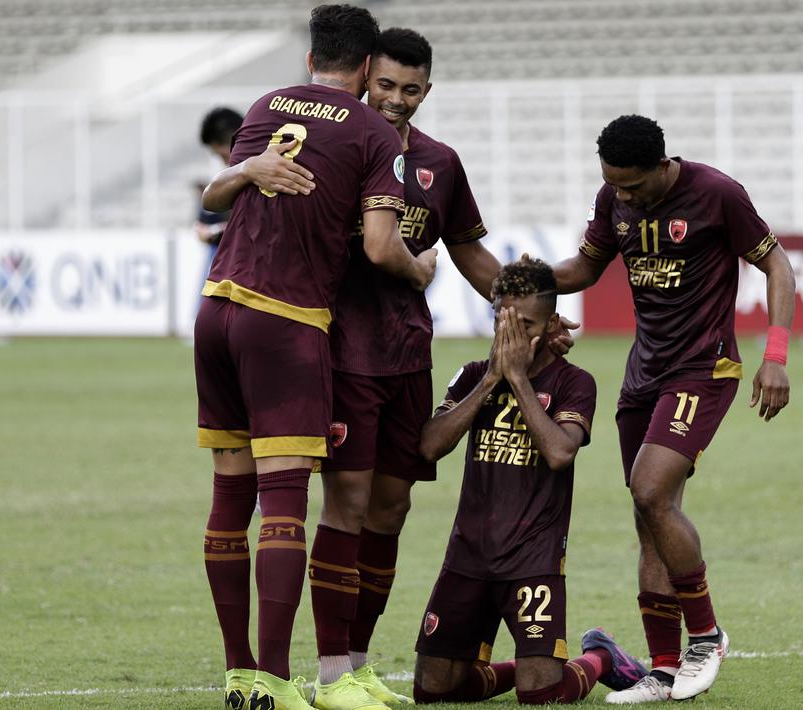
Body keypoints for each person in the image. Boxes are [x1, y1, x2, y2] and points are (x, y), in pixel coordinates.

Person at [221, 28, 575, 707]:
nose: (394, 100)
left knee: (390, 507)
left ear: (427, 91)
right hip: (338, 352)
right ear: (362, 76)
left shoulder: (440, 163)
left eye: (410, 90)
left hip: (408, 354)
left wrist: (526, 318)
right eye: (384, 84)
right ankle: (328, 672)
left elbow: (470, 253)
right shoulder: (338, 143)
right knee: (347, 502)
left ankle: (356, 665)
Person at [193, 5, 436, 710]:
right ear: (367, 69)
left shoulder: (268, 104)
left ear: (310, 60)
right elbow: (380, 246)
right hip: (285, 322)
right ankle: (273, 679)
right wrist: (420, 270)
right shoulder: (369, 130)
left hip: (215, 312)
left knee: (228, 496)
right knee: (283, 503)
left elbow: (215, 196)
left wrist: (248, 167)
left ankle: (239, 673)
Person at [548, 115, 796, 703]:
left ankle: (706, 638)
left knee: (651, 491)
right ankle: (662, 670)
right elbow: (584, 268)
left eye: (632, 187)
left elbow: (777, 265)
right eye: (614, 186)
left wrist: (776, 355)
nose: (623, 197)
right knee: (647, 515)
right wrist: (526, 280)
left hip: (703, 367)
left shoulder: (716, 194)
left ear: (662, 167)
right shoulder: (613, 197)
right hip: (644, 373)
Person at [411, 257, 648, 705]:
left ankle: (599, 657)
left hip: (533, 560)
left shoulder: (576, 382)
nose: (515, 336)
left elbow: (560, 453)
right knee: (433, 690)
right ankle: (518, 670)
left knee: (541, 696)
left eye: (528, 325)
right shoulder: (471, 374)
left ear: (552, 321)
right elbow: (429, 446)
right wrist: (491, 381)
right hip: (468, 554)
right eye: (506, 322)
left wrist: (517, 378)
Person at [194, 107, 243, 290]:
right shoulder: (237, 174)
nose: (225, 162)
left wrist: (215, 234)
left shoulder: (260, 171)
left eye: (222, 155)